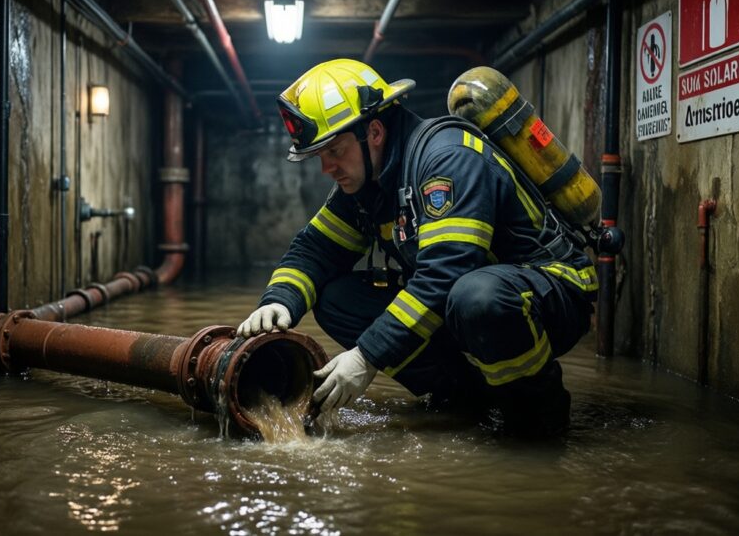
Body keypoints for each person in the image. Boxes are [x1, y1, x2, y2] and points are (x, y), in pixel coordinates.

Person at [236, 59, 596, 436]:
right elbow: (314, 251)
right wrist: (277, 302)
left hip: (549, 291)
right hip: (466, 303)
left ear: (373, 132)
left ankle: (537, 414)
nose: (327, 167)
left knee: (477, 298)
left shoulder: (447, 159)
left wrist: (366, 356)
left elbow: (446, 273)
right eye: (320, 156)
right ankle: (465, 397)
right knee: (336, 299)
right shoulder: (367, 185)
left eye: (335, 151)